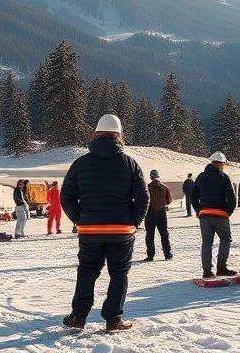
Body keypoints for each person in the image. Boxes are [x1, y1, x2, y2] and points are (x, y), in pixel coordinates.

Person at [60, 114, 148, 332]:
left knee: (87, 270)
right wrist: (133, 222)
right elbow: (143, 198)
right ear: (119, 136)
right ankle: (113, 320)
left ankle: (78, 317)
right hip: (121, 230)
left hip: (90, 231)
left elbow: (67, 197)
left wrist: (80, 219)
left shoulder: (80, 164)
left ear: (96, 134)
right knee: (119, 272)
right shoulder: (130, 164)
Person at [193, 151, 238, 279]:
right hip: (220, 214)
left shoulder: (201, 177)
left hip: (204, 214)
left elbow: (193, 196)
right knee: (225, 239)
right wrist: (228, 212)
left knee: (207, 242)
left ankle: (207, 271)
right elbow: (231, 198)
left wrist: (198, 210)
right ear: (221, 164)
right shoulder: (223, 177)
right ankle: (221, 268)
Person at [143, 169, 173, 261]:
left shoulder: (147, 188)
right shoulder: (164, 188)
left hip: (150, 213)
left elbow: (144, 201)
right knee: (164, 234)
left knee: (149, 235)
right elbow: (169, 200)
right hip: (161, 213)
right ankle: (167, 254)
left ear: (151, 177)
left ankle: (150, 255)